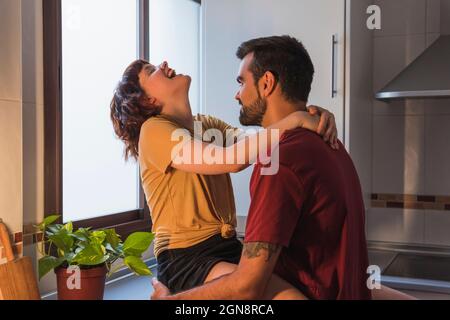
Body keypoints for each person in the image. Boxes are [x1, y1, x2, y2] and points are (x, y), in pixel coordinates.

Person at [150, 36, 415, 300]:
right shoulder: (331, 144)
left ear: (267, 83)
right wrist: (300, 117)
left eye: (241, 82)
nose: (237, 94)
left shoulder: (279, 160)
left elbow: (246, 287)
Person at [110, 55, 338, 299]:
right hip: (186, 259)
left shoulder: (204, 124)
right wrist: (296, 120)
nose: (163, 64)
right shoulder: (153, 130)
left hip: (229, 248)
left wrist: (309, 116)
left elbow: (257, 141)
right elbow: (228, 159)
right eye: (151, 70)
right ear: (148, 99)